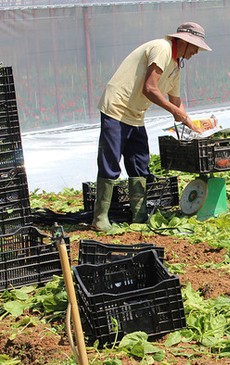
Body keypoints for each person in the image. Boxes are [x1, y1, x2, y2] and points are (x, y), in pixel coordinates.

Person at [91, 22, 212, 231]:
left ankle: (138, 215)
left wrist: (192, 125)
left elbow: (176, 100)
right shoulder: (162, 48)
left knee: (139, 161)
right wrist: (175, 112)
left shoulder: (176, 65)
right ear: (184, 41)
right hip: (118, 107)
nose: (195, 52)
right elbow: (150, 88)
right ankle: (100, 218)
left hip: (136, 113)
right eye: (194, 47)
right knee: (111, 160)